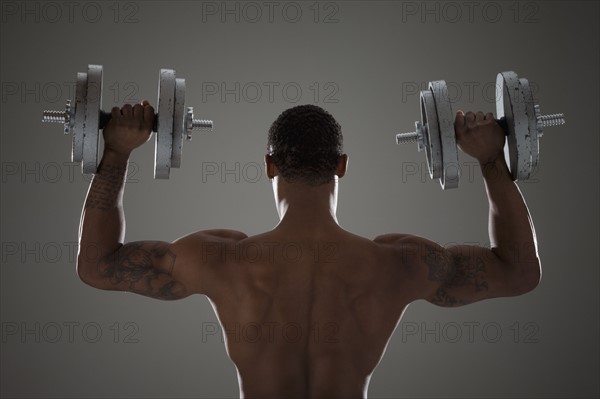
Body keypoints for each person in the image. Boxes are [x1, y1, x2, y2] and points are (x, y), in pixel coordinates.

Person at [76, 101, 541, 398]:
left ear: (269, 165)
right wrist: (491, 159)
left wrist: (116, 152)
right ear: (341, 166)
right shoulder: (398, 263)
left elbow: (98, 266)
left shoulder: (220, 260)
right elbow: (519, 272)